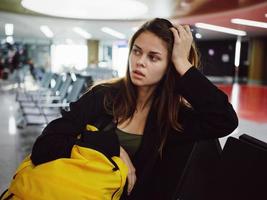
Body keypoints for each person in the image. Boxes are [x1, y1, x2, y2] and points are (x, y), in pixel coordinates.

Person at [30, 18, 238, 199]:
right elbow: (44, 146)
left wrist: (183, 63)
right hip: (73, 190)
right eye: (136, 52)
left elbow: (225, 119)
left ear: (170, 66)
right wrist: (111, 149)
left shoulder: (173, 118)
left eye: (153, 57)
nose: (139, 62)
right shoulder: (102, 96)